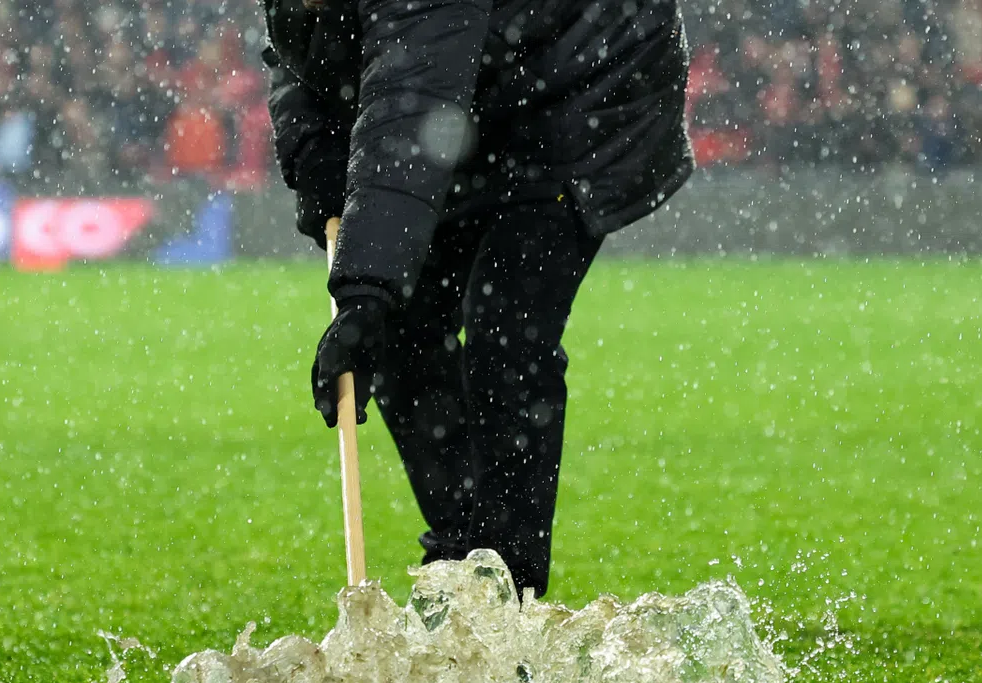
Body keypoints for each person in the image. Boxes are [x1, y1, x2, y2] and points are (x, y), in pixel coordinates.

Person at [263, 0, 693, 598]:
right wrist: (317, 164)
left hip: (582, 88)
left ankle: (502, 595)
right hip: (470, 94)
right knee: (400, 329)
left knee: (507, 341)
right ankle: (464, 554)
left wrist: (363, 291)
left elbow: (408, 98)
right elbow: (302, 60)